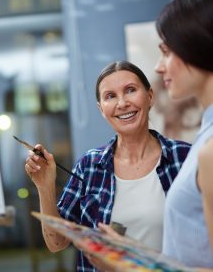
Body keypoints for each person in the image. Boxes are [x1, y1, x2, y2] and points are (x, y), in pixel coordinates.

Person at [88, 0, 213, 271]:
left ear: (198, 47)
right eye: (109, 96)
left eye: (167, 53)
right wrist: (135, 253)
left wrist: (132, 263)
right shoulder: (206, 134)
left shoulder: (206, 150)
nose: (158, 67)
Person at [24, 60, 191, 272]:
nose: (122, 103)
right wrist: (45, 185)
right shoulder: (89, 165)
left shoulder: (184, 158)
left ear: (149, 96)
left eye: (130, 90)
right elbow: (56, 243)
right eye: (110, 96)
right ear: (101, 108)